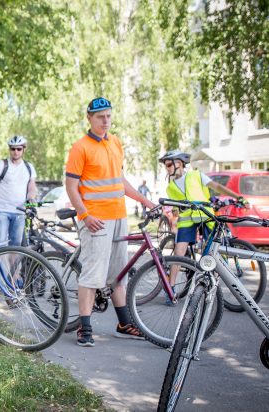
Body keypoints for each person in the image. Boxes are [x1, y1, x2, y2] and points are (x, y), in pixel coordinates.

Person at [64, 97, 155, 347]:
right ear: (89, 118)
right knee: (93, 274)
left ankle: (124, 323)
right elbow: (71, 186)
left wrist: (147, 203)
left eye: (108, 116)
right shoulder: (80, 147)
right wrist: (85, 215)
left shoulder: (115, 142)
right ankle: (84, 328)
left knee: (118, 272)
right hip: (95, 219)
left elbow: (120, 181)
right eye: (100, 117)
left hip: (119, 216)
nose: (106, 121)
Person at [159, 150, 242, 287]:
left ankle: (212, 285)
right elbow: (175, 209)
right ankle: (171, 287)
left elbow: (216, 186)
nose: (166, 168)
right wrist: (175, 215)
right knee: (179, 250)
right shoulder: (170, 187)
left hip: (205, 215)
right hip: (187, 220)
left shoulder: (196, 175)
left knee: (211, 251)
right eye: (166, 166)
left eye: (168, 165)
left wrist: (237, 196)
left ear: (179, 163)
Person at [0, 135, 38, 247]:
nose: (16, 152)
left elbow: (32, 187)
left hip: (20, 211)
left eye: (19, 149)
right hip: (1, 210)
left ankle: (13, 266)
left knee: (16, 246)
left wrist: (30, 198)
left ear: (23, 149)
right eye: (13, 149)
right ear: (9, 149)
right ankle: (1, 265)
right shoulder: (2, 164)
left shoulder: (29, 167)